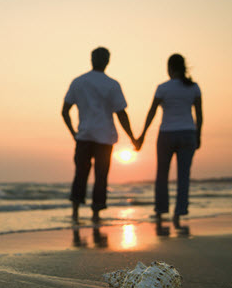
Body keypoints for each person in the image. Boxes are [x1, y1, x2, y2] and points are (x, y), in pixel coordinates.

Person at [61, 47, 136, 223]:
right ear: (107, 61)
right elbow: (121, 114)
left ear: (91, 59)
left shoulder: (78, 82)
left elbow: (64, 111)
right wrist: (133, 137)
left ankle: (75, 212)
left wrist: (73, 132)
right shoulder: (112, 84)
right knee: (101, 176)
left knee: (81, 174)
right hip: (105, 137)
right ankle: (96, 213)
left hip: (84, 136)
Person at [135, 53, 203, 227]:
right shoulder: (193, 87)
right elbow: (199, 115)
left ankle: (160, 210)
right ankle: (179, 213)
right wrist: (198, 135)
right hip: (188, 133)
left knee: (162, 175)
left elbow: (152, 112)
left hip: (167, 134)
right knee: (184, 176)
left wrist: (142, 135)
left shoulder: (163, 88)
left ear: (169, 68)